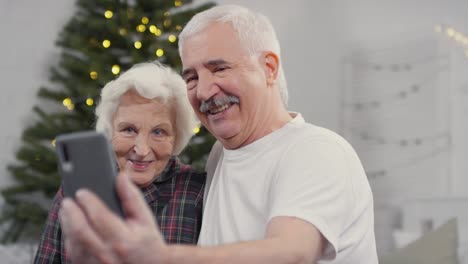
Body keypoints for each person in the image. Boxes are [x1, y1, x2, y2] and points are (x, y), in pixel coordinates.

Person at [58, 4, 378, 264]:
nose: (205, 91)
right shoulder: (221, 154)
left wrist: (159, 257)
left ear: (268, 68)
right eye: (192, 77)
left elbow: (293, 251)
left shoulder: (316, 150)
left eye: (220, 68)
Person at [34, 62, 205, 263]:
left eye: (159, 132)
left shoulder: (197, 193)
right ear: (109, 130)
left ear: (177, 137)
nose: (141, 150)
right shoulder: (79, 189)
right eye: (128, 130)